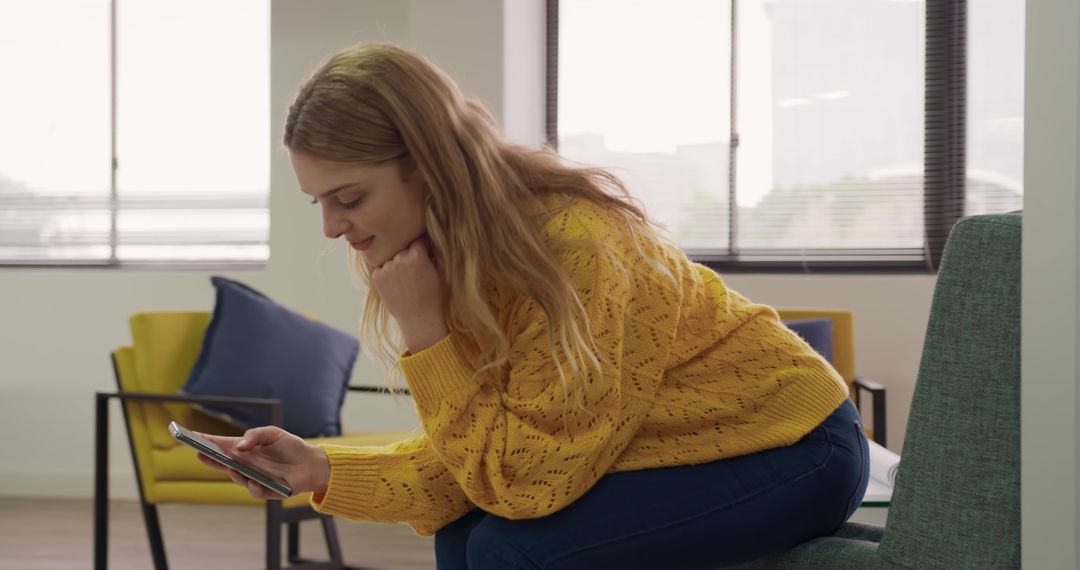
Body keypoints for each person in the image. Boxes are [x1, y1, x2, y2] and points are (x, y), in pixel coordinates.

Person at [197, 42, 869, 569]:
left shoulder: (572, 248)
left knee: (507, 549)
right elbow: (484, 458)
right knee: (465, 531)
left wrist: (426, 333)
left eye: (349, 198)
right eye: (319, 202)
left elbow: (523, 481)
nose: (331, 228)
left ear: (427, 164)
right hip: (670, 449)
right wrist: (322, 467)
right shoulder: (447, 256)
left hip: (798, 447)